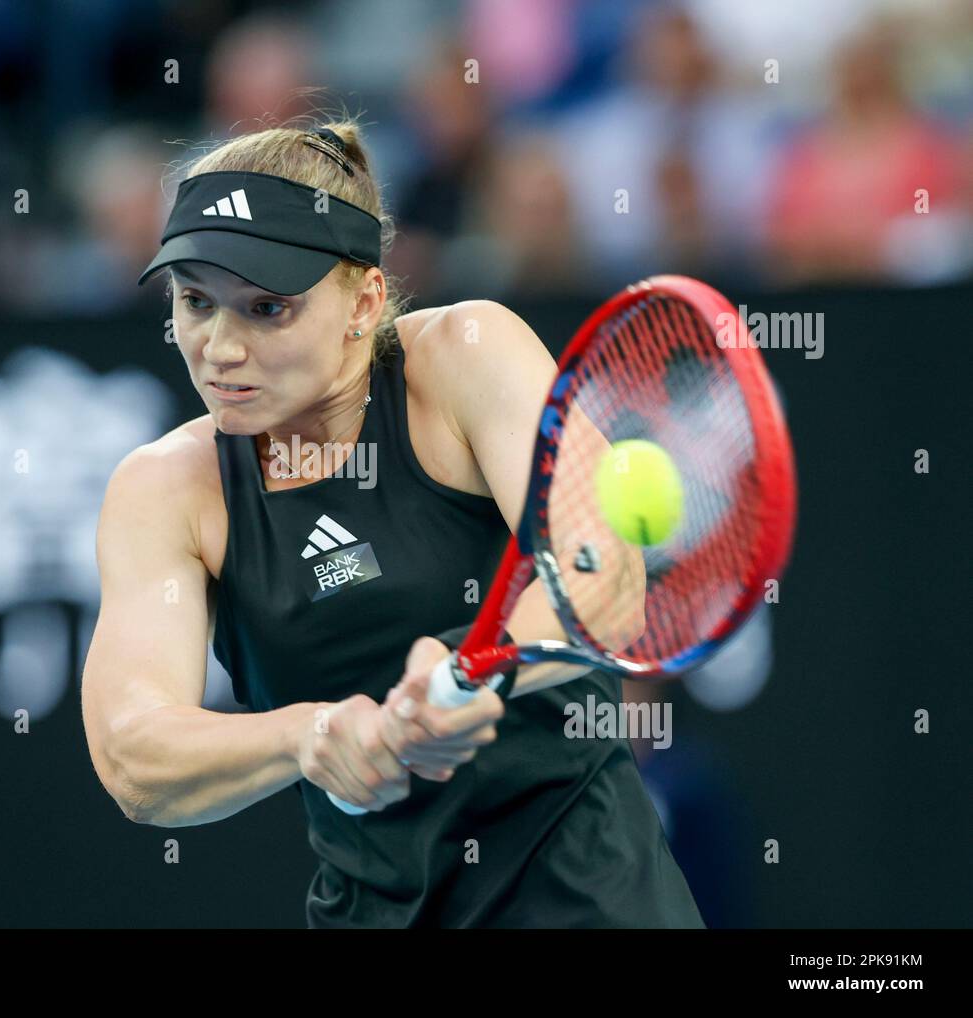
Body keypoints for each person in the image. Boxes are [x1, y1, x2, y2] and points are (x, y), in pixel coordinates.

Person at [80, 118, 703, 928]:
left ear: (364, 301)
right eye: (196, 301)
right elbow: (136, 757)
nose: (220, 348)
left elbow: (603, 581)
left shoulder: (468, 355)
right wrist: (308, 735)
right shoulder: (166, 488)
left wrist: (466, 672)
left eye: (267, 307)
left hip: (591, 896)